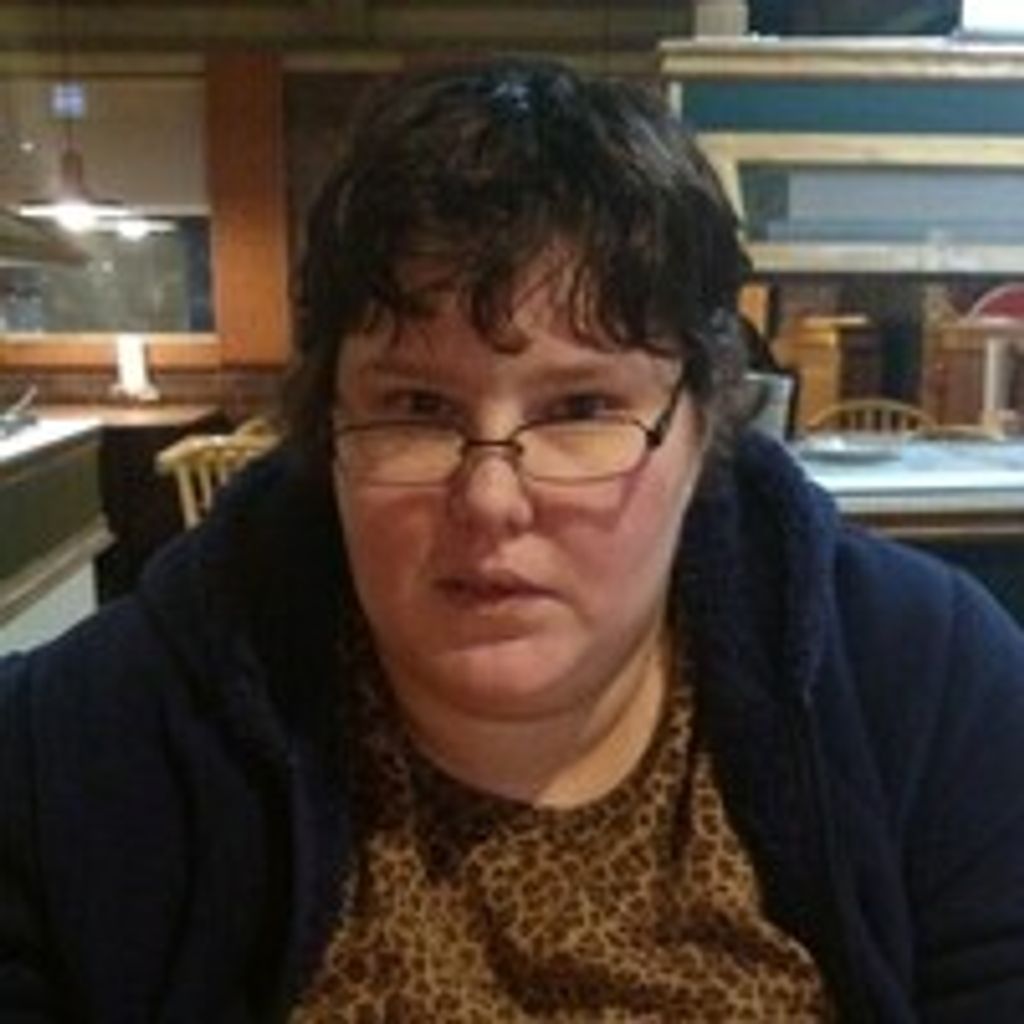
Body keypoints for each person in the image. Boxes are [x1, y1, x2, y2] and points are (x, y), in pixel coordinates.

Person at [2, 57, 1023, 1023]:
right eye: (415, 406)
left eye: (581, 407)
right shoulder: (76, 754)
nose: (491, 498)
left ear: (700, 429)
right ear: (327, 428)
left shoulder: (929, 691)